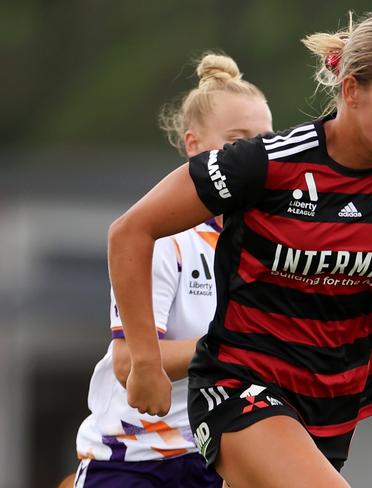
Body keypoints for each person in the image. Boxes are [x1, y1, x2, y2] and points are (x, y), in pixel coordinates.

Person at [107, 12, 372, 488]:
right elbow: (130, 231)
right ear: (351, 91)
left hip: (335, 400)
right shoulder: (267, 164)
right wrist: (144, 360)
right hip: (239, 383)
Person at [69, 52, 273, 487]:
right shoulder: (161, 237)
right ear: (194, 145)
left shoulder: (269, 245)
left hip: (214, 458)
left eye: (265, 141)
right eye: (238, 140)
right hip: (132, 463)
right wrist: (237, 346)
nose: (255, 156)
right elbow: (130, 364)